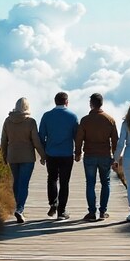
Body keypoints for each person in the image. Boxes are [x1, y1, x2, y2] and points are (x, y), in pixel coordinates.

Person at [1, 97, 46, 224]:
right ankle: (20, 209)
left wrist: (4, 156)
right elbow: (36, 141)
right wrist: (43, 155)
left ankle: (18, 206)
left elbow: (4, 140)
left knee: (17, 181)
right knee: (24, 183)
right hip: (27, 157)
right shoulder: (31, 122)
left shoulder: (8, 121)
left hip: (12, 156)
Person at [75, 93, 119, 221]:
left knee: (90, 183)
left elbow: (79, 139)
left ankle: (92, 212)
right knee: (106, 183)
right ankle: (102, 211)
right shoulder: (110, 120)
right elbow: (115, 141)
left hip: (89, 155)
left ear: (91, 104)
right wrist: (116, 158)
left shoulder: (85, 120)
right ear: (102, 103)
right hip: (105, 155)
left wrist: (77, 153)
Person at [38, 92, 79, 221]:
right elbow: (76, 137)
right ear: (66, 102)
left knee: (52, 179)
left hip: (51, 153)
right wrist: (78, 152)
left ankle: (53, 204)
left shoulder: (47, 116)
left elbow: (41, 136)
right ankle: (62, 211)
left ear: (55, 101)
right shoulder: (72, 116)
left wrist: (43, 152)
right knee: (64, 182)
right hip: (66, 154)